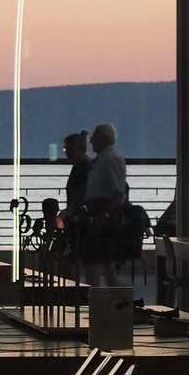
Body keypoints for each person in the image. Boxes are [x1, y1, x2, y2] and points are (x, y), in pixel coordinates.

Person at [80, 122, 128, 286]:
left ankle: (97, 297)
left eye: (94, 138)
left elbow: (117, 193)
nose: (91, 141)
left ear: (103, 139)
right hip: (99, 214)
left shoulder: (110, 159)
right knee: (103, 262)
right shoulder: (104, 159)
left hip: (101, 216)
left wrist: (105, 215)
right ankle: (107, 300)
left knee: (95, 260)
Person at [61, 131, 90, 218]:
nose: (66, 152)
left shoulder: (84, 169)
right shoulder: (79, 167)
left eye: (68, 149)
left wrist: (70, 213)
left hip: (80, 220)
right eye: (65, 149)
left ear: (79, 149)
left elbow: (80, 196)